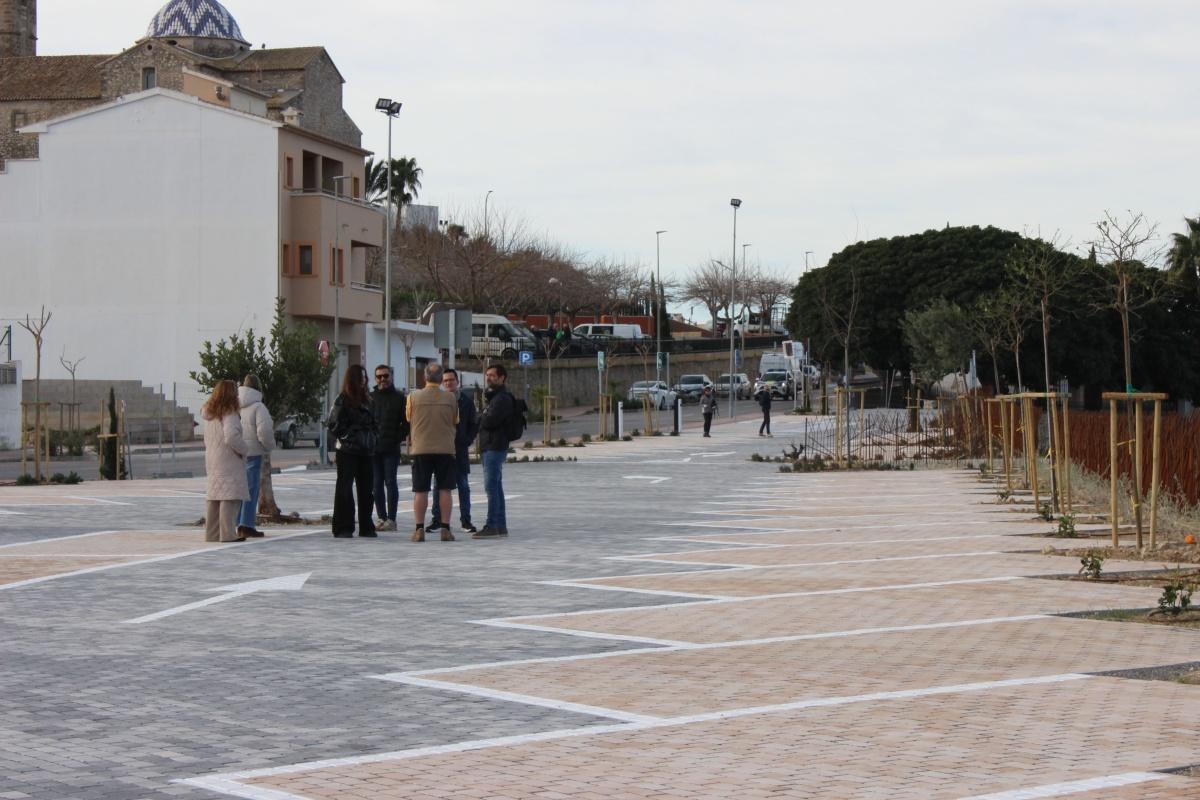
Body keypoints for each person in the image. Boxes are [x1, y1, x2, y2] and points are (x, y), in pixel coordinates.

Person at [406, 363, 459, 542]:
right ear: (441, 378)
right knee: (445, 489)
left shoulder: (413, 397)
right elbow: (455, 420)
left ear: (424, 377)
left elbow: (408, 418)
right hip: (445, 449)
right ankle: (445, 528)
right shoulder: (451, 398)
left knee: (420, 490)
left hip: (421, 448)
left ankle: (419, 529)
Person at [326, 364, 377, 538]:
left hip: (366, 450)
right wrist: (350, 434)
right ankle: (343, 526)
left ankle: (366, 526)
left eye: (365, 377)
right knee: (345, 489)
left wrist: (372, 437)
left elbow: (376, 423)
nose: (364, 380)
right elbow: (333, 425)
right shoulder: (342, 399)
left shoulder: (369, 400)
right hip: (347, 451)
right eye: (361, 377)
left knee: (367, 490)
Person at [430, 368, 480, 534]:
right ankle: (437, 520)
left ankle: (466, 520)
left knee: (463, 486)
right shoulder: (438, 400)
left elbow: (474, 424)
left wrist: (467, 440)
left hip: (459, 450)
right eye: (445, 381)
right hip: (441, 450)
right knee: (439, 486)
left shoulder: (466, 401)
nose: (448, 383)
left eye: (451, 380)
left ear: (457, 382)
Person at [201, 379, 249, 543]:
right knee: (229, 495)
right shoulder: (230, 413)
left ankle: (212, 534)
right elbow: (231, 436)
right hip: (229, 459)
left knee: (215, 496)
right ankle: (228, 534)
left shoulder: (209, 414)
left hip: (213, 458)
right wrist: (244, 449)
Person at [475, 363, 514, 538]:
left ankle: (492, 525)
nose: (489, 378)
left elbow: (489, 421)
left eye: (492, 375)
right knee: (496, 487)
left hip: (494, 446)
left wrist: (482, 415)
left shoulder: (502, 398)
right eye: (487, 375)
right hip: (490, 445)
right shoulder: (493, 397)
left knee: (491, 486)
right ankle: (500, 525)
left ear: (502, 378)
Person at [236, 374, 274, 539]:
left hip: (237, 452)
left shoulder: (235, 405)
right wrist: (268, 446)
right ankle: (247, 524)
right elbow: (264, 432)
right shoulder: (259, 407)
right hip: (254, 451)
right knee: (251, 490)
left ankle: (236, 523)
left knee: (238, 490)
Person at [371, 364, 407, 532]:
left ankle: (392, 519)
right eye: (379, 377)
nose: (383, 379)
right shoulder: (370, 397)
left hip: (391, 448)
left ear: (391, 376)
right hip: (374, 449)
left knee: (390, 482)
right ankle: (381, 517)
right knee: (376, 484)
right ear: (375, 378)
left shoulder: (400, 398)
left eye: (385, 376)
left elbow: (406, 423)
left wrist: (396, 439)